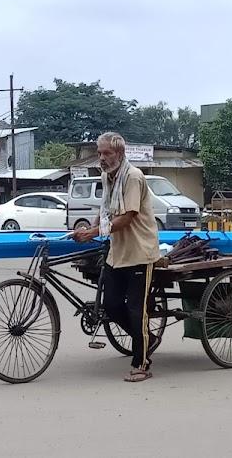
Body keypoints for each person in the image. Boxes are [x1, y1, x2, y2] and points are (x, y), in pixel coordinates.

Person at [72, 132, 161, 382]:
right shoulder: (107, 176)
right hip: (117, 252)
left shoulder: (133, 177)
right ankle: (147, 339)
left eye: (106, 153)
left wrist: (94, 232)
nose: (101, 158)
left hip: (139, 252)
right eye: (99, 153)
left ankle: (141, 363)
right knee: (110, 305)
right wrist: (90, 226)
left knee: (136, 310)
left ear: (119, 154)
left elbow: (128, 216)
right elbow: (106, 208)